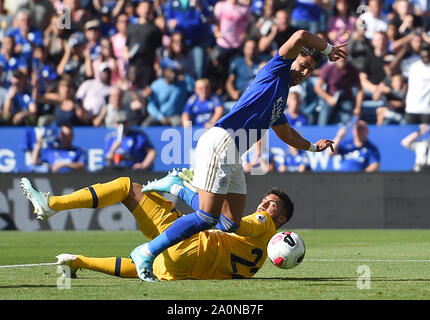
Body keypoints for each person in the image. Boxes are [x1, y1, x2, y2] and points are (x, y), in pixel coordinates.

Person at [131, 29, 346, 282]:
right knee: (206, 217)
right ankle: (145, 252)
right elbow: (299, 35)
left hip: (234, 153)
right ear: (293, 59)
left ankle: (177, 186)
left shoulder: (281, 95)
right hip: (222, 141)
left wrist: (312, 147)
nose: (305, 72)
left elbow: (286, 133)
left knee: (230, 223)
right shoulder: (275, 70)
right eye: (303, 64)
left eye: (310, 70)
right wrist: (329, 50)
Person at [20, 168, 293, 281]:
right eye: (264, 201)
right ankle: (76, 260)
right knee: (144, 262)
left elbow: (226, 222)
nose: (263, 206)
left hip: (192, 245)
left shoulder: (264, 224)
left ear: (280, 220)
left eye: (271, 205)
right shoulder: (257, 263)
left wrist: (184, 189)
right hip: (184, 269)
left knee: (127, 187)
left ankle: (52, 204)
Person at [314, 47, 363, 126]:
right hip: (330, 98)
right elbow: (317, 87)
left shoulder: (353, 70)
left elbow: (360, 90)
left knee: (348, 123)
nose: (342, 58)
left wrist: (358, 107)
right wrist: (329, 99)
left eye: (345, 55)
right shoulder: (328, 68)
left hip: (346, 99)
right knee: (322, 122)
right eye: (340, 55)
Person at [142, 58, 187, 127]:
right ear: (164, 71)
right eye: (170, 71)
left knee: (182, 124)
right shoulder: (156, 85)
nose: (173, 74)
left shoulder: (183, 84)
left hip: (175, 117)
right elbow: (150, 106)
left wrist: (183, 72)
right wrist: (161, 117)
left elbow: (196, 85)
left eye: (175, 71)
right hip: (159, 115)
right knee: (145, 126)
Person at [404, 44, 430, 124]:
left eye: (427, 56)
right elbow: (390, 69)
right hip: (412, 108)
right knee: (410, 135)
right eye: (423, 56)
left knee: (426, 136)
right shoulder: (413, 67)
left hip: (427, 109)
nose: (425, 58)